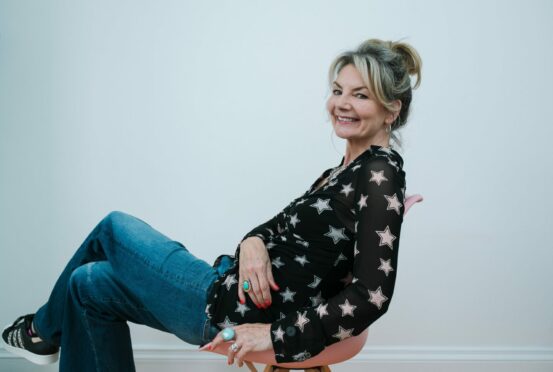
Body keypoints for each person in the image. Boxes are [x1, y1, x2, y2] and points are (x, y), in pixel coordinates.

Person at [1, 38, 422, 371]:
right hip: (225, 287)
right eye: (337, 91)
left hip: (224, 308)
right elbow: (277, 228)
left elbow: (371, 295)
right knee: (88, 283)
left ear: (391, 110)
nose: (342, 103)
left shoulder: (379, 172)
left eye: (360, 95)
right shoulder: (344, 171)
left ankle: (39, 330)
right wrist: (252, 242)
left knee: (113, 228)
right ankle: (45, 331)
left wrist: (273, 337)